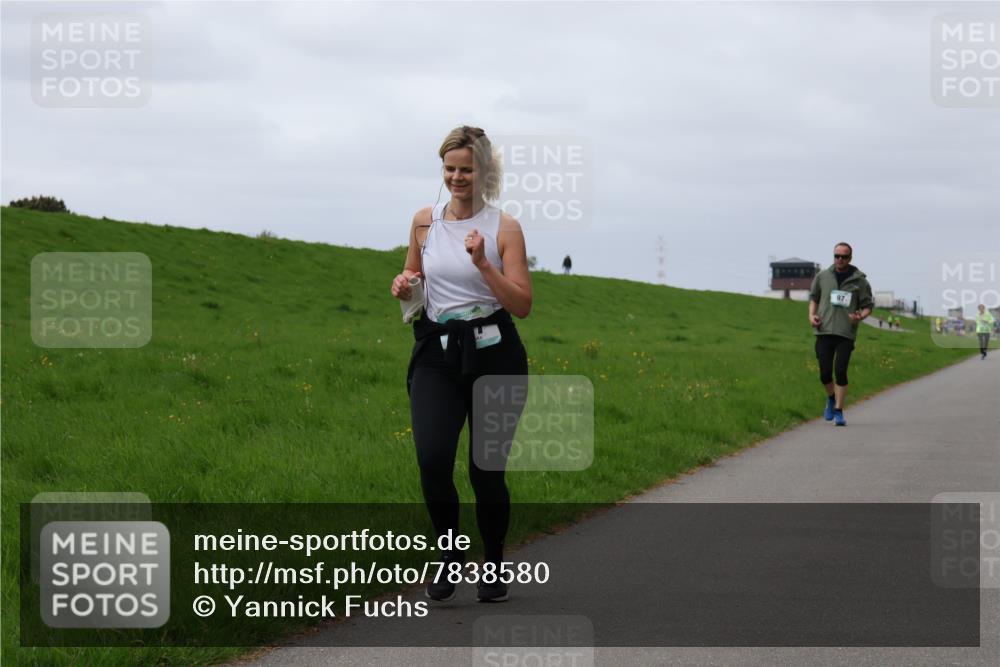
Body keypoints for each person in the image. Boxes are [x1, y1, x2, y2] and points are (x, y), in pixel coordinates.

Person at [390, 126, 531, 603]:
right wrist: (405, 283)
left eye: (466, 169)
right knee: (432, 460)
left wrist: (483, 265)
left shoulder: (504, 228)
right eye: (449, 168)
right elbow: (416, 274)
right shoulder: (423, 222)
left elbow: (522, 304)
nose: (456, 177)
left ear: (484, 171)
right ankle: (450, 555)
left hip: (495, 355)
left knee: (485, 470)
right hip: (437, 353)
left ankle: (492, 563)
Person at [808, 242, 874, 427]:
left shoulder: (859, 281)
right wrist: (811, 316)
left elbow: (868, 306)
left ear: (850, 258)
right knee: (825, 374)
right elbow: (814, 298)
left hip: (846, 333)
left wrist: (859, 316)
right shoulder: (823, 276)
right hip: (824, 330)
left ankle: (838, 410)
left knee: (840, 371)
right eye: (836, 256)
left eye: (844, 257)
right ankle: (830, 398)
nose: (839, 260)